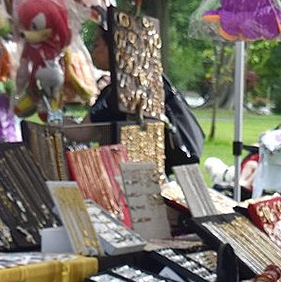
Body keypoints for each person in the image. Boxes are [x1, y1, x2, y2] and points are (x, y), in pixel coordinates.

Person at [83, 20, 204, 171]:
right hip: (158, 168)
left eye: (96, 45)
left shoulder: (121, 88)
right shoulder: (152, 79)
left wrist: (58, 122)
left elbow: (84, 131)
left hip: (130, 172)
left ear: (115, 47)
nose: (92, 51)